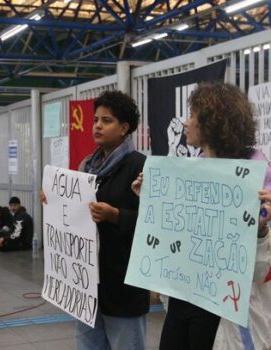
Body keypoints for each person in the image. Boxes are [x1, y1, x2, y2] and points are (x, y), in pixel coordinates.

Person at [131, 82, 271, 350]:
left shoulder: (255, 176)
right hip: (184, 296)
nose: (185, 122)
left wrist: (261, 229)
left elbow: (261, 269)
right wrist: (150, 197)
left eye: (192, 115)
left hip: (224, 307)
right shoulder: (191, 170)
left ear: (212, 121)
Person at [41, 90, 148, 350]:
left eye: (107, 120)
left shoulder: (140, 166)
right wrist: (53, 199)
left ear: (124, 128)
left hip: (122, 284)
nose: (97, 126)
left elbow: (152, 224)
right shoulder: (86, 166)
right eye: (95, 120)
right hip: (87, 285)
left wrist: (115, 215)